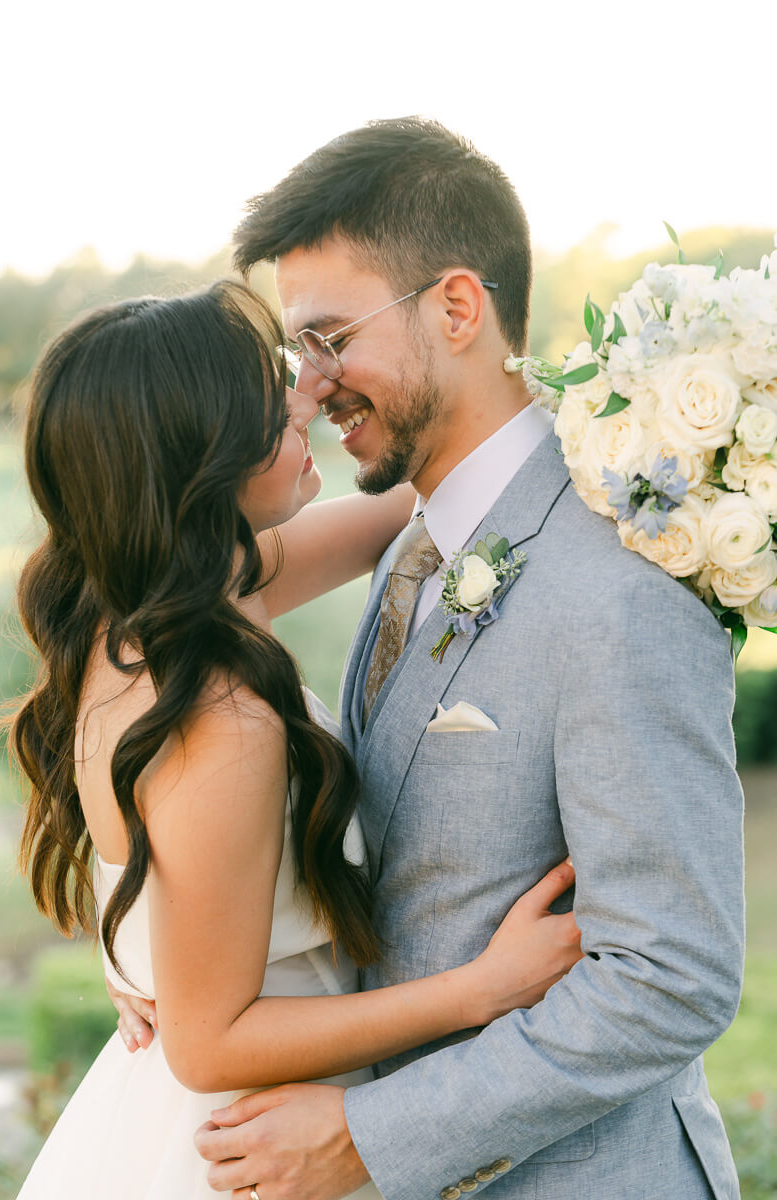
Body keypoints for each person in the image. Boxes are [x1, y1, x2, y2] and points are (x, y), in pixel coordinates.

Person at [187, 118, 745, 1199]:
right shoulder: (417, 536)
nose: (307, 386)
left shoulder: (616, 586)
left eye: (329, 337)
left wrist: (371, 1134)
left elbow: (668, 976)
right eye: (299, 351)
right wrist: (185, 961)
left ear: (456, 308)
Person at [11, 279, 583, 1199]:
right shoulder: (216, 712)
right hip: (258, 1137)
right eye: (265, 401)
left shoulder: (172, 607)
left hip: (235, 1112)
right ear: (201, 459)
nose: (297, 403)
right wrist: (483, 988)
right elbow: (206, 1042)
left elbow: (415, 503)